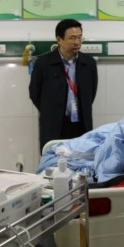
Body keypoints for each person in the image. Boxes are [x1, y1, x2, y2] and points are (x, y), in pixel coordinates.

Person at [29, 19, 99, 152]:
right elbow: (34, 93)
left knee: (81, 159)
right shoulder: (43, 63)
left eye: (80, 37)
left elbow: (91, 94)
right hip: (54, 125)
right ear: (59, 39)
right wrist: (51, 111)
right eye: (72, 38)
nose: (77, 42)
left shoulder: (89, 63)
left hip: (81, 124)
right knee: (53, 160)